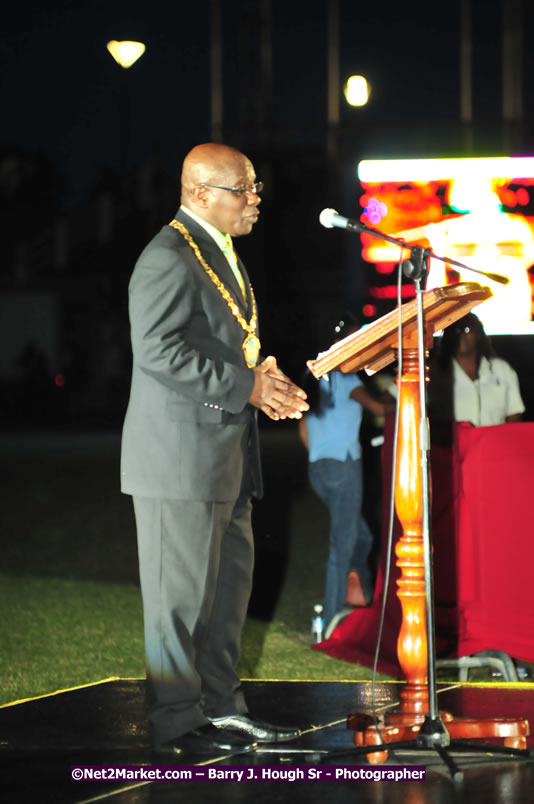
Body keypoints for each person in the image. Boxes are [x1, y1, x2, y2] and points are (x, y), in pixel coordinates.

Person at [120, 143, 309, 757]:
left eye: (256, 188)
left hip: (224, 458)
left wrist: (263, 378)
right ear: (200, 193)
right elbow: (158, 351)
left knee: (226, 598)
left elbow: (224, 343)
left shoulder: (219, 250)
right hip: (178, 461)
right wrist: (244, 387)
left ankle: (223, 709)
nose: (255, 199)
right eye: (243, 189)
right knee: (178, 603)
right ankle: (177, 722)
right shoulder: (167, 257)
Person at [297, 314, 395, 630]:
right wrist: (402, 399)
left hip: (318, 469)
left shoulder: (313, 374)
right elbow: (378, 408)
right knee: (343, 545)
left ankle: (358, 595)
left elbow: (302, 427)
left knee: (361, 536)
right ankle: (331, 619)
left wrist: (319, 454)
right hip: (343, 466)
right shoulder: (348, 377)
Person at [428, 312, 525, 427]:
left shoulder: (502, 369)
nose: (461, 335)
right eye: (455, 330)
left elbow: (514, 415)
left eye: (467, 329)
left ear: (478, 333)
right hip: (453, 438)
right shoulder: (433, 373)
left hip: (494, 438)